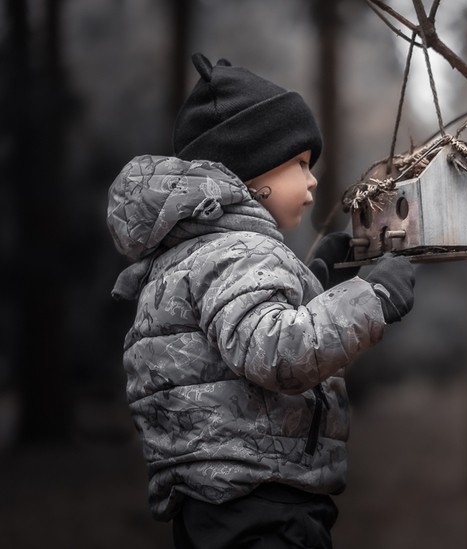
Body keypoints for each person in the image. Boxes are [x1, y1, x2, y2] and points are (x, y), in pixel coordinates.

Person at [106, 52, 416, 549]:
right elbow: (277, 351)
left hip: (219, 499)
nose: (313, 180)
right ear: (251, 174)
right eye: (298, 163)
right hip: (258, 504)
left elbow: (235, 341)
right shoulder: (239, 252)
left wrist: (312, 281)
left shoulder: (195, 253)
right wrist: (372, 297)